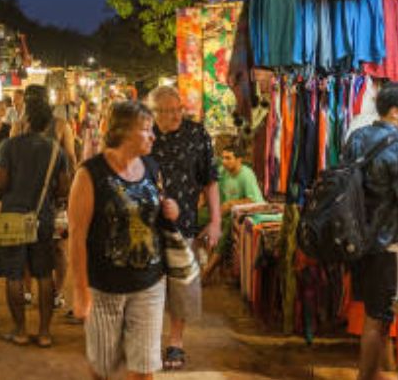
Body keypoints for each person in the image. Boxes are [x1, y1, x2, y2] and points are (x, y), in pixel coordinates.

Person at [69, 101, 179, 380]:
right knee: (103, 368)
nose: (153, 135)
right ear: (123, 132)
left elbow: (158, 215)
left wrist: (171, 210)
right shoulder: (90, 174)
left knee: (144, 368)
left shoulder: (153, 167)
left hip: (150, 283)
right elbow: (77, 237)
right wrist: (81, 292)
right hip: (104, 287)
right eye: (146, 130)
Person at [345, 83, 398, 380]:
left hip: (358, 241)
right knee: (380, 320)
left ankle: (377, 373)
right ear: (395, 111)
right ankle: (366, 377)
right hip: (390, 245)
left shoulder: (357, 138)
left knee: (373, 314)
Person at [147, 85, 220, 371]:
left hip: (185, 223)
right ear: (153, 113)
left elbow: (210, 180)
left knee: (181, 286)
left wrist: (215, 222)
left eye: (178, 109)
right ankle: (148, 339)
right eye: (166, 111)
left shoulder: (196, 134)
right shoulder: (144, 133)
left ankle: (176, 342)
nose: (175, 116)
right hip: (145, 225)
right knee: (147, 286)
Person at [0, 95, 71, 348]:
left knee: (14, 275)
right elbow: (63, 188)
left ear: (25, 119)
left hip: (13, 215)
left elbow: (1, 183)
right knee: (44, 274)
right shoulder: (55, 149)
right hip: (43, 218)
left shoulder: (9, 146)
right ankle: (45, 333)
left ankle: (20, 330)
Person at [201, 133, 265, 281]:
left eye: (228, 158)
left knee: (228, 224)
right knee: (197, 217)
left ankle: (208, 270)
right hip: (225, 211)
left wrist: (230, 205)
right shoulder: (222, 171)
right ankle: (198, 261)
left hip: (248, 213)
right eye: (223, 157)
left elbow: (253, 201)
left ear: (239, 160)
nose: (224, 161)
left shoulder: (246, 175)